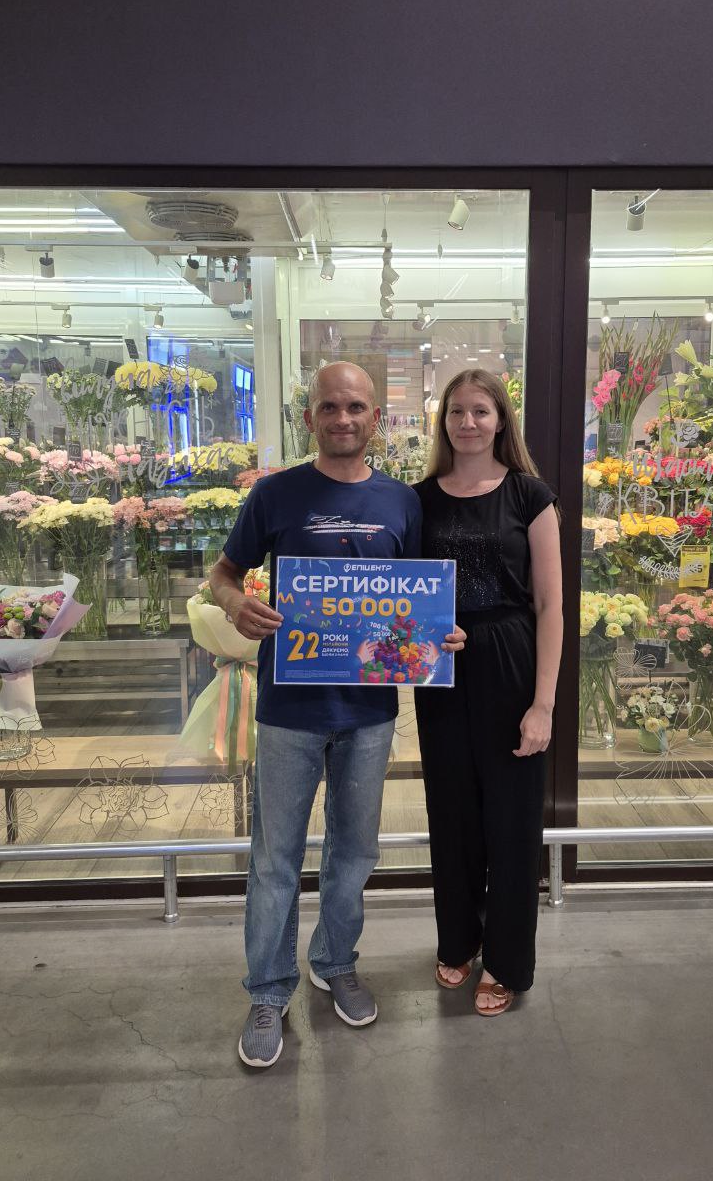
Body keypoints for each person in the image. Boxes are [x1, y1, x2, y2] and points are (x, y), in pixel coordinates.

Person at [210, 361, 463, 1069]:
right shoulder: (275, 494)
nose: (343, 418)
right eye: (329, 407)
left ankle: (335, 961)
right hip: (288, 709)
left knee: (354, 853)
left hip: (368, 712)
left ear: (375, 417)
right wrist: (235, 603)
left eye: (355, 407)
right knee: (275, 860)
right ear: (310, 418)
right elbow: (223, 573)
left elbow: (416, 598)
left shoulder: (402, 502)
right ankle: (268, 991)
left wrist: (439, 633)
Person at [414, 368, 563, 1017]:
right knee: (451, 814)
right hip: (441, 669)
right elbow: (401, 593)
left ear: (501, 419)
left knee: (511, 821)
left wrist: (543, 704)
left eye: (480, 410)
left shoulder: (530, 496)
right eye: (456, 411)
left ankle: (504, 960)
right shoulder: (418, 499)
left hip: (510, 662)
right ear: (442, 421)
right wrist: (422, 631)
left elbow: (551, 606)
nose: (468, 422)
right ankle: (459, 937)